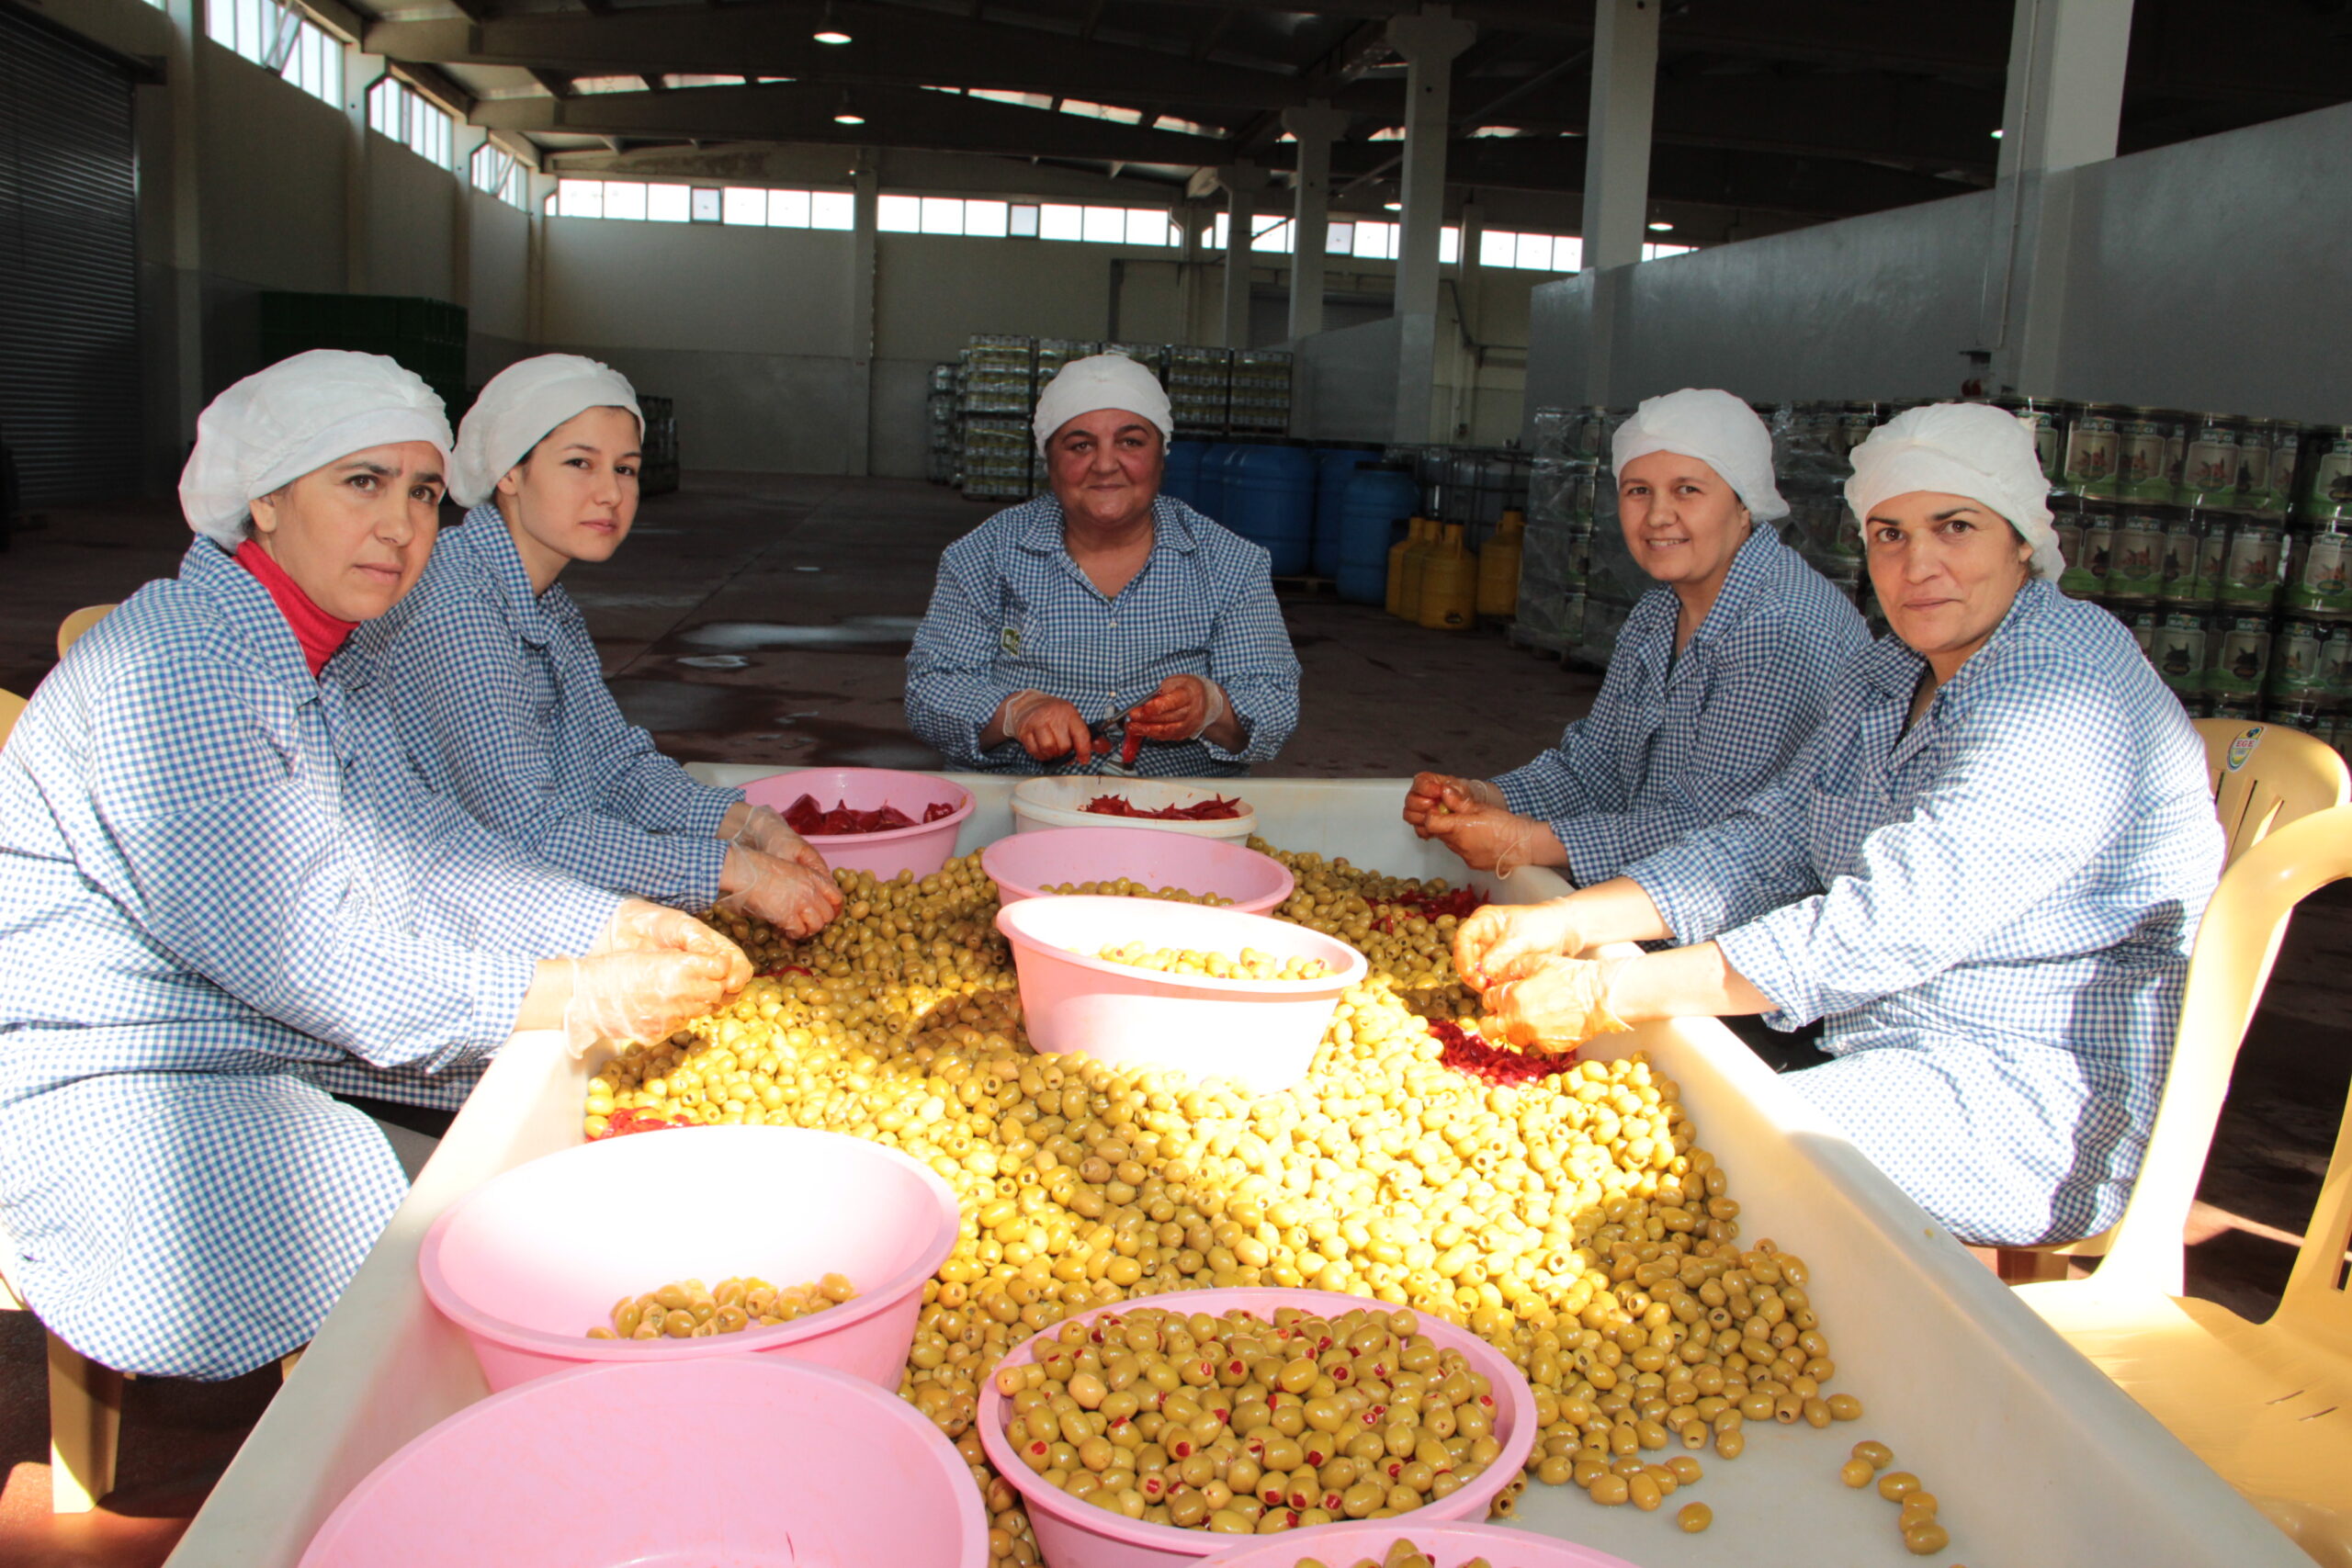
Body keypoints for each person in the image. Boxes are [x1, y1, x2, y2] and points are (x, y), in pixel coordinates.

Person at [0, 352, 746, 1380]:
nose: (400, 525)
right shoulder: (177, 667)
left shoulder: (325, 662)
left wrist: (607, 925)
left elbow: (426, 853)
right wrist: (570, 990)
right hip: (115, 1080)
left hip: (255, 1043)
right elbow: (305, 958)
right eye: (363, 483)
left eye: (424, 493)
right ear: (265, 499)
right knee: (435, 1236)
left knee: (536, 1172)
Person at [1453, 402, 2222, 1248]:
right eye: (1890, 534)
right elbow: (1775, 838)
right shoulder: (1893, 669)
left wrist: (1605, 991)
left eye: (1955, 527)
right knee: (1644, 1119)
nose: (1918, 565)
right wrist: (1568, 920)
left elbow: (1884, 926)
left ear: (2022, 540)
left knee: (1694, 1156)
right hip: (1881, 1039)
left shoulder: (2062, 687)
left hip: (2025, 1093)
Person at [354, 355, 840, 939]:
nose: (610, 493)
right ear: (510, 472)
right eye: (579, 463)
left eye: (626, 469)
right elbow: (530, 831)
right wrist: (730, 871)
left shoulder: (545, 602)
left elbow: (614, 767)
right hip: (434, 925)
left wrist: (750, 825)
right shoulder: (455, 604)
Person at [1404, 389, 1868, 881]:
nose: (1658, 516)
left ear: (1744, 503)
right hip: (1655, 893)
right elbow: (1596, 768)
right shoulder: (1658, 614)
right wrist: (1483, 797)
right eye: (1638, 490)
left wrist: (1529, 842)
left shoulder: (1781, 626)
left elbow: (1715, 830)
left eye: (1687, 490)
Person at [905, 353, 1301, 775]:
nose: (1106, 465)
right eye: (1080, 445)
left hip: (1178, 800)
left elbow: (1275, 704)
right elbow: (931, 690)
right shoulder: (984, 555)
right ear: (1049, 460)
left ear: (1161, 454)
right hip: (1018, 796)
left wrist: (1212, 707)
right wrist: (1016, 712)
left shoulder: (1230, 562)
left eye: (1131, 442)